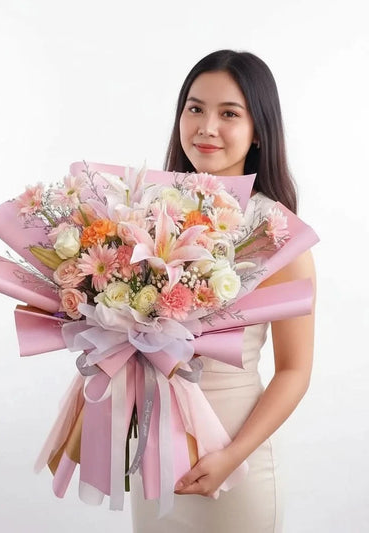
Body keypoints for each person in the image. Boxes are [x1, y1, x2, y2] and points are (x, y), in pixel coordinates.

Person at [130, 50, 316, 532]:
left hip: (235, 457)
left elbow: (294, 370)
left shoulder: (279, 235)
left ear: (259, 129)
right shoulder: (142, 216)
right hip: (155, 455)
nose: (206, 127)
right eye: (195, 108)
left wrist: (233, 455)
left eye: (229, 113)